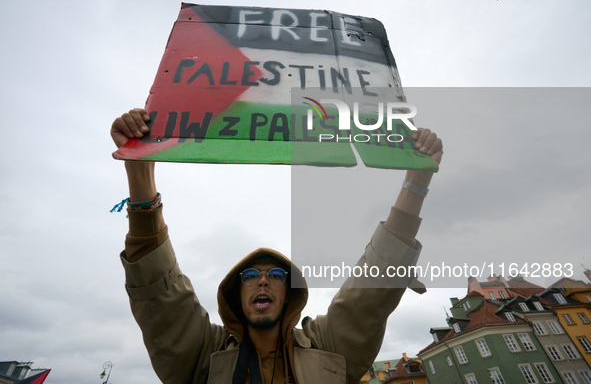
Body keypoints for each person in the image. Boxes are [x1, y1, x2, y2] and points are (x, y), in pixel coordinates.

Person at [111, 108, 443, 384]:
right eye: (251, 275)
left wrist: (417, 181)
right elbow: (160, 296)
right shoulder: (205, 356)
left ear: (289, 296)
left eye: (277, 276)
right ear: (235, 296)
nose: (264, 281)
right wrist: (139, 173)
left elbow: (373, 285)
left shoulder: (327, 346)